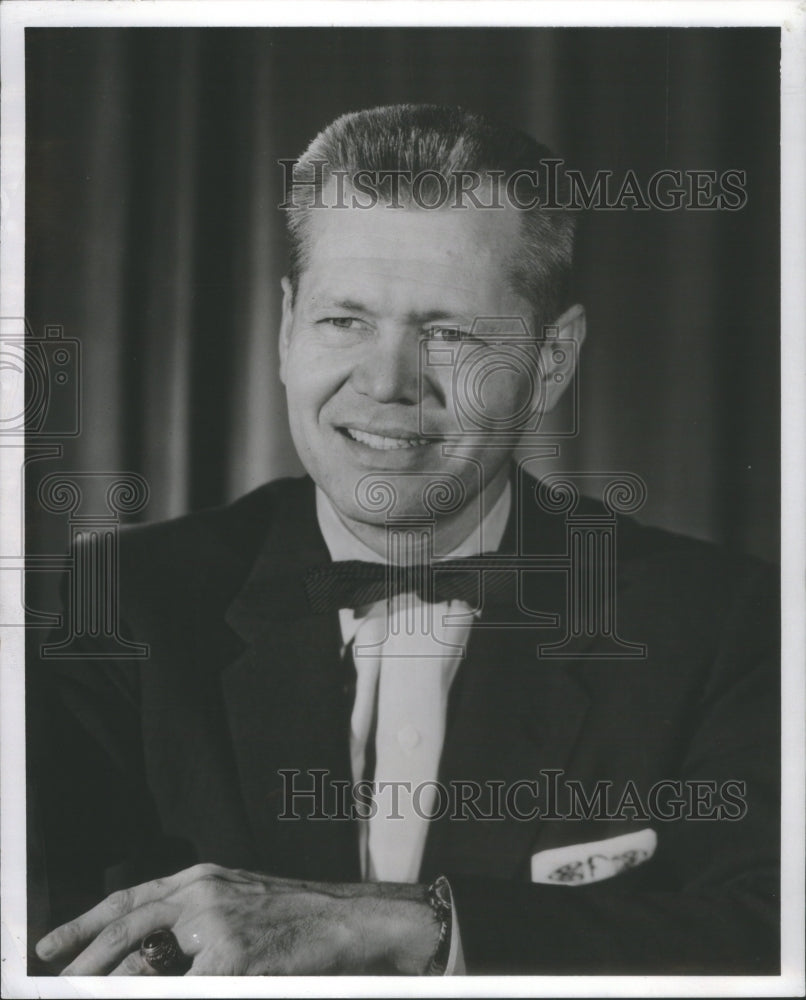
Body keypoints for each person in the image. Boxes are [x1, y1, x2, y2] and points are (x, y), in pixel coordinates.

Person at [28, 104, 779, 976]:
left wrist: (414, 924)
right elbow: (42, 938)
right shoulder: (119, 600)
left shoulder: (726, 624)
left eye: (449, 334)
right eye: (345, 320)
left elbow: (770, 941)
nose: (387, 383)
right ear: (284, 329)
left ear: (553, 361)